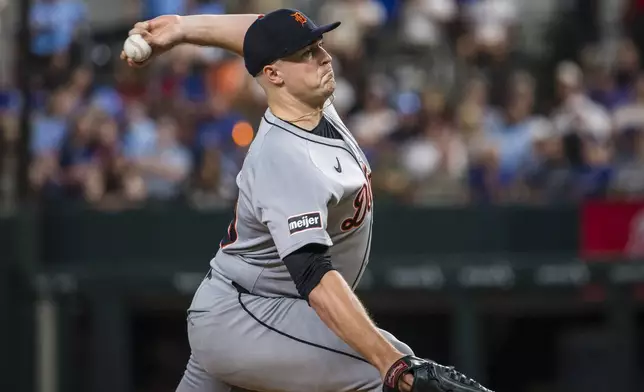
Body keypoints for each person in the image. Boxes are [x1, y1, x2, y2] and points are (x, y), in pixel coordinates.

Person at [122, 8, 493, 392]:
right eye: (307, 53)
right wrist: (395, 367)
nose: (324, 57)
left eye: (318, 45)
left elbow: (261, 33)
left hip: (253, 310)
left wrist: (183, 28)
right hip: (248, 316)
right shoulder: (284, 156)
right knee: (390, 372)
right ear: (274, 75)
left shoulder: (310, 104)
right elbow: (313, 275)